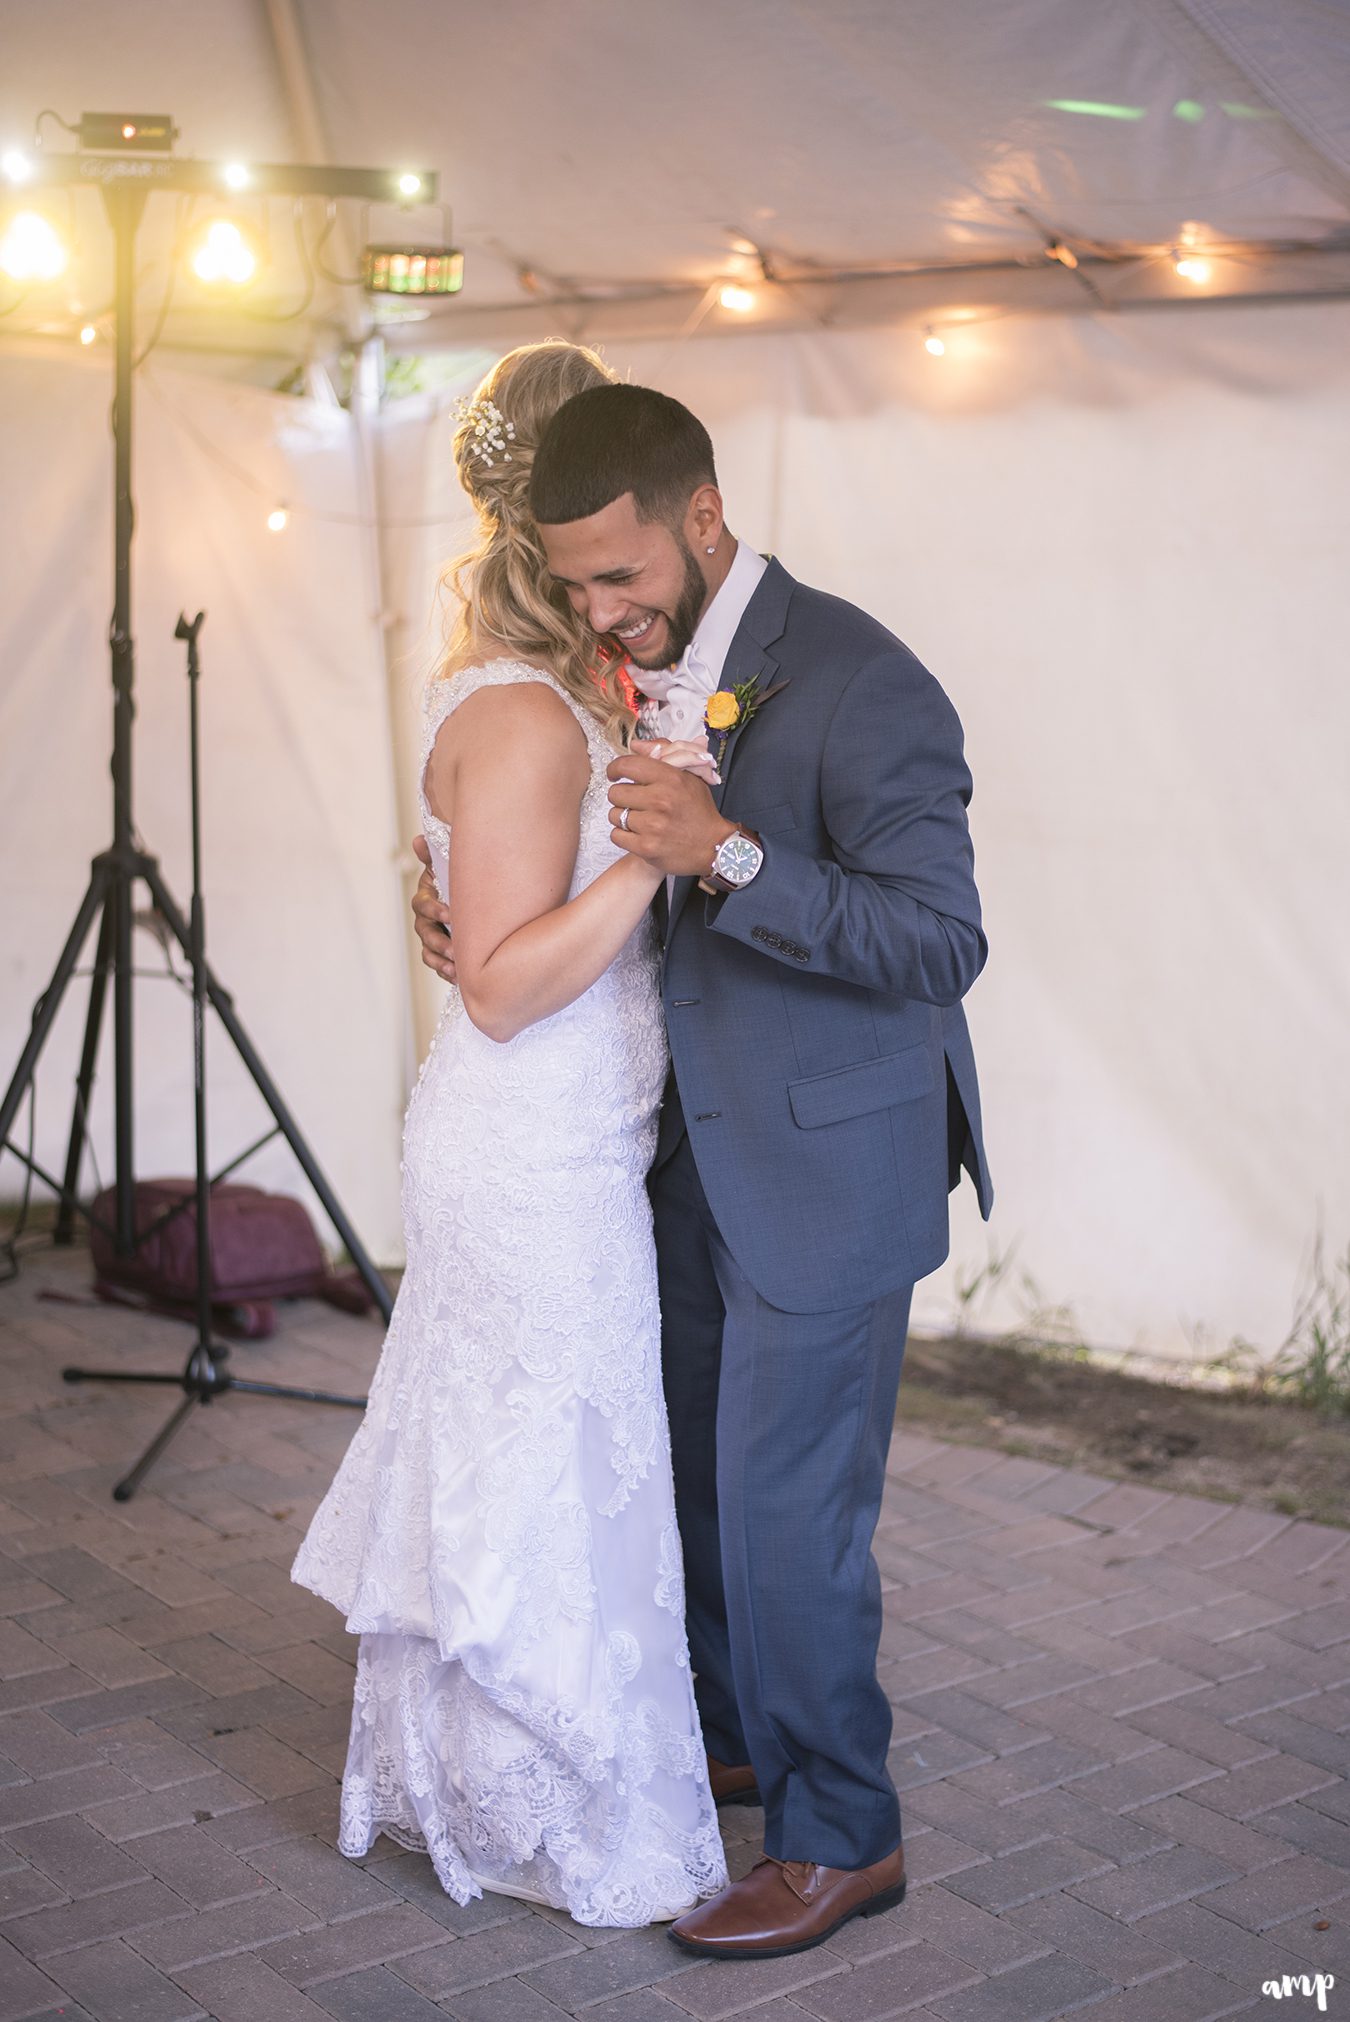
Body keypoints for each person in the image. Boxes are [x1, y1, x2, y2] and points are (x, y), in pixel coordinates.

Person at [413, 382, 992, 1960]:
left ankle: (837, 1834)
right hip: (673, 1156)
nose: (600, 613)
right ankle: (734, 1736)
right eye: (576, 584)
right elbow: (592, 875)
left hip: (826, 1168)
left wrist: (728, 852)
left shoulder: (867, 679)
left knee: (788, 1511)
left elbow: (940, 939)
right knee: (693, 1487)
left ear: (705, 518)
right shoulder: (636, 669)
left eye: (620, 576)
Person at [292, 343, 728, 1928]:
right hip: (527, 1142)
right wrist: (659, 851)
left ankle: (483, 1771)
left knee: (541, 1450)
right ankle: (537, 1797)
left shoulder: (538, 691)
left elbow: (476, 923)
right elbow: (497, 986)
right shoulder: (535, 718)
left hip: (547, 1139)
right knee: (551, 1453)